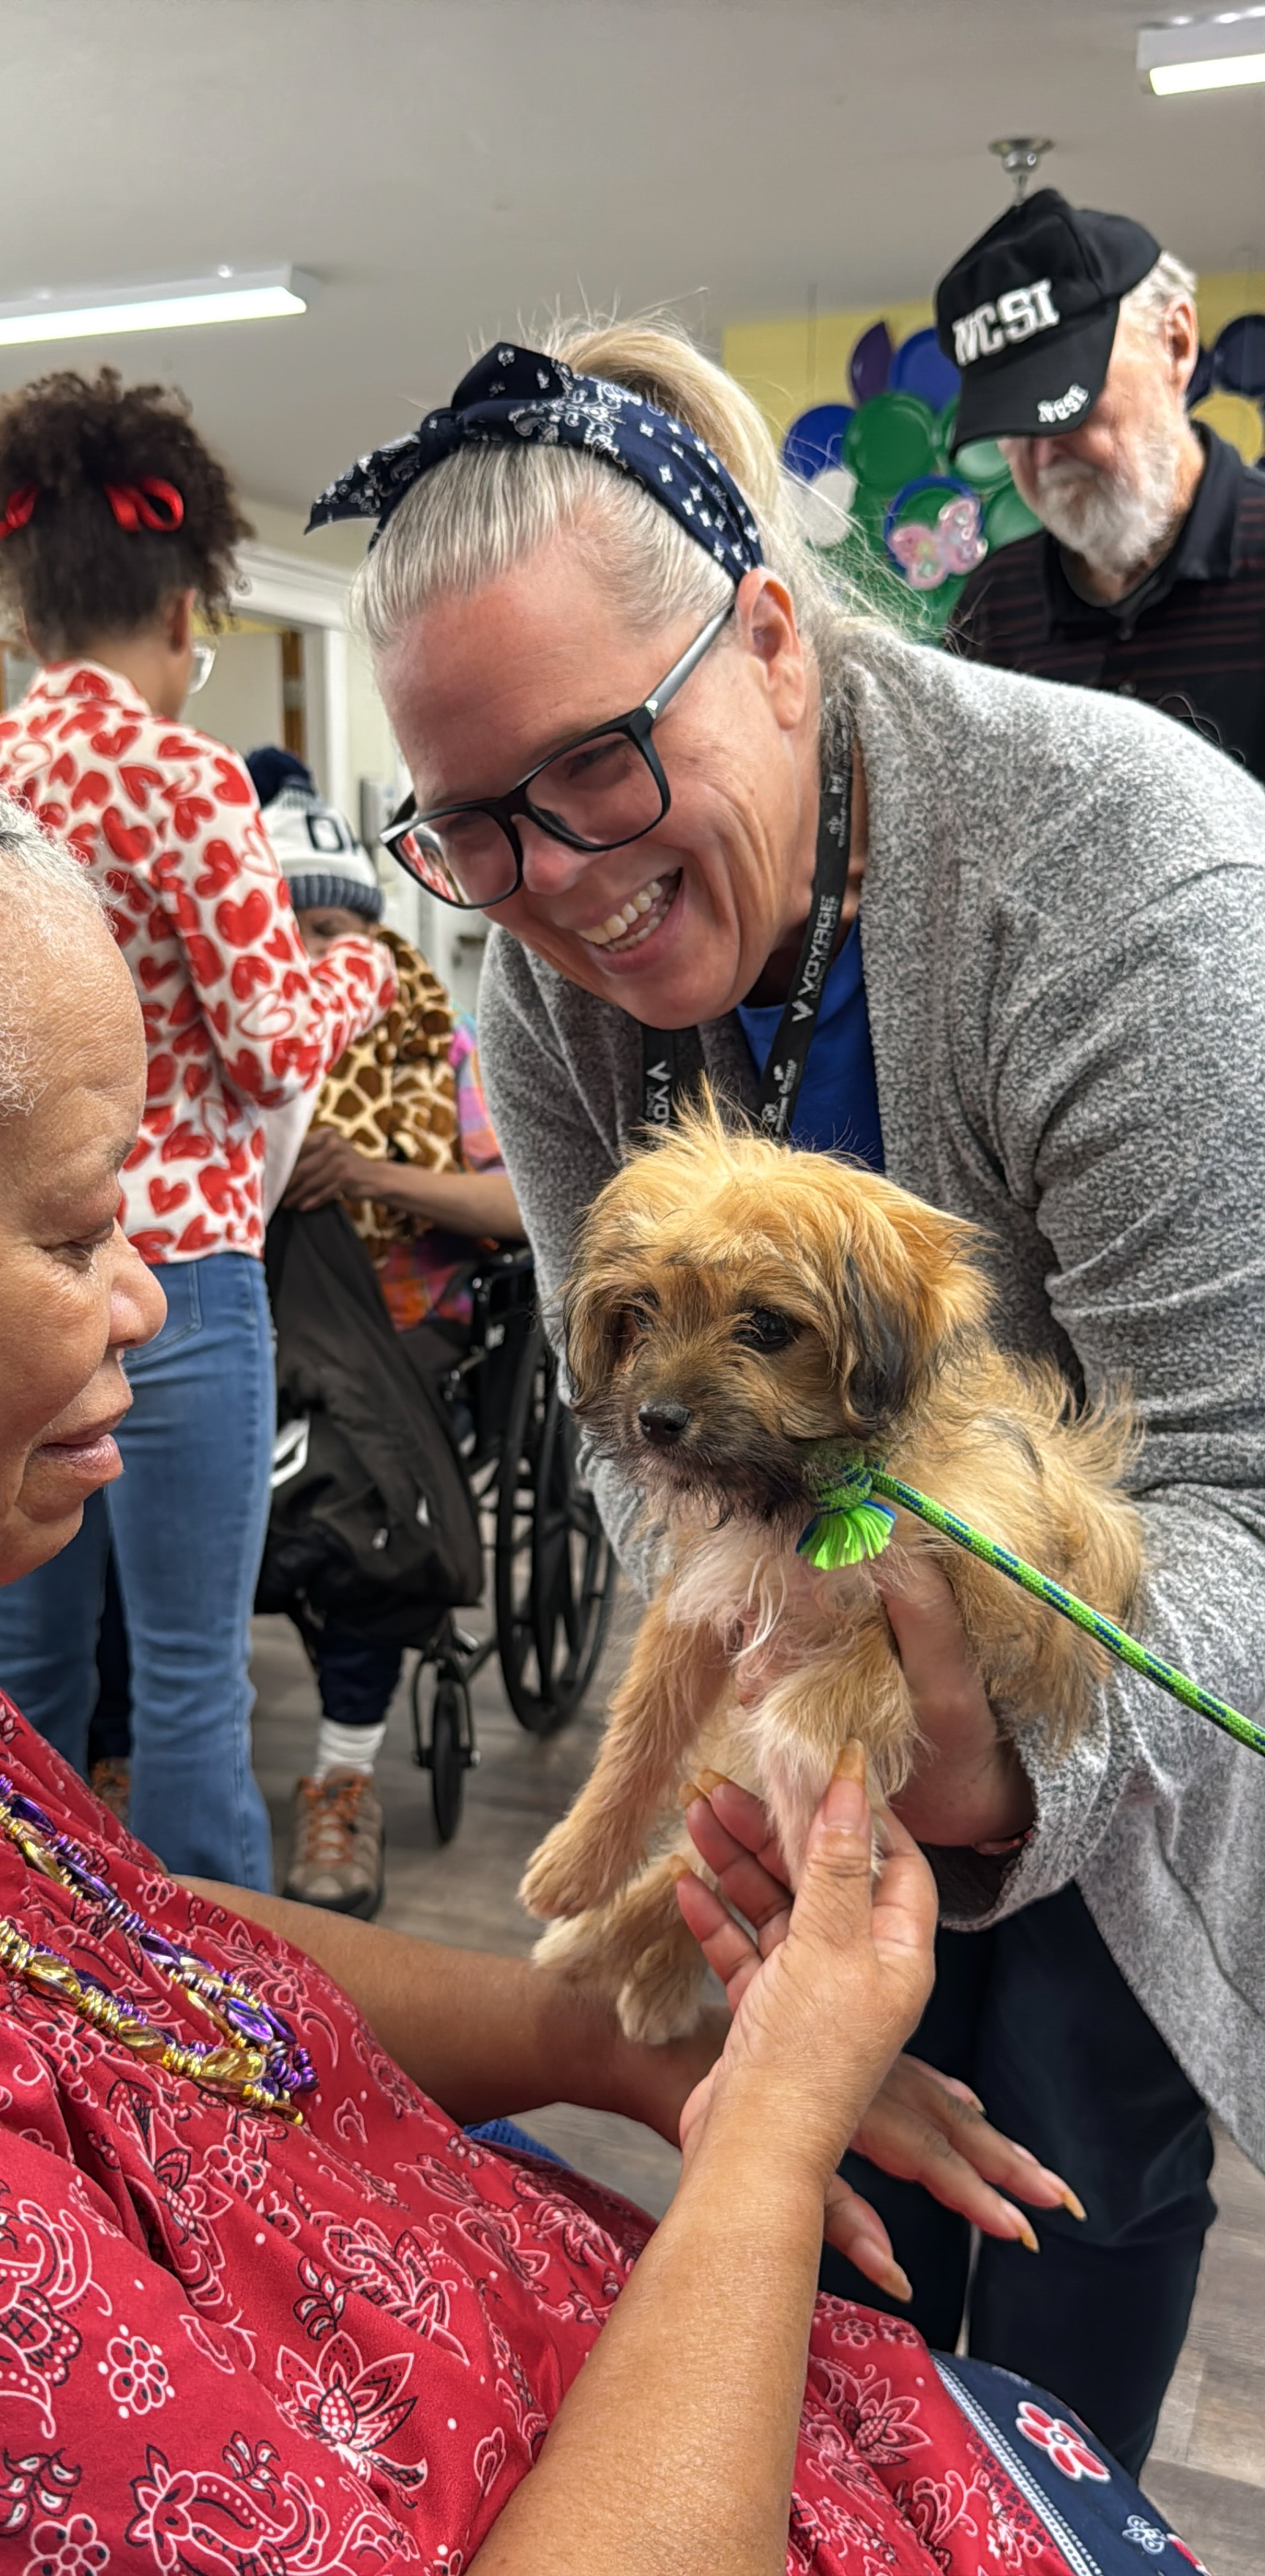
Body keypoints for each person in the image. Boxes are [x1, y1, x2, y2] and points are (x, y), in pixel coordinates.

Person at [0, 721, 1195, 2576]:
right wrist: (769, 2137)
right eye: (76, 1227)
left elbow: (117, 1944)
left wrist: (606, 2034)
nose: (153, 1288)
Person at [306, 318, 1265, 2476]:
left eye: (596, 773)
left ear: (768, 637)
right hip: (806, 1672)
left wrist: (998, 1772)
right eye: (470, 827)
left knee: (1078, 2170)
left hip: (1098, 1696)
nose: (551, 879)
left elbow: (1238, 1493)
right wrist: (758, 1695)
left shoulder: (1135, 880)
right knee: (823, 2190)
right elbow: (610, 1394)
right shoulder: (543, 962)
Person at [0, 368, 395, 1892]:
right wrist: (356, 965)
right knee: (195, 1685)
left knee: (21, 1678)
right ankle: (224, 2073)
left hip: (9, 1272)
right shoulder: (191, 781)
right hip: (180, 1277)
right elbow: (271, 1042)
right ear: (191, 605)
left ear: (18, 604)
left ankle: (13, 2000)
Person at [248, 752, 524, 1917]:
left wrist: (363, 1172)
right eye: (288, 935)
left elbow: (522, 1206)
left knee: (354, 1495)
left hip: (406, 1331)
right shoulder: (231, 1057)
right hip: (254, 1330)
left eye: (332, 932)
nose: (314, 957)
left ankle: (343, 1783)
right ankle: (119, 1757)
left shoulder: (443, 1048)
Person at [935, 188, 1265, 782]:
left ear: (1176, 344)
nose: (1045, 449)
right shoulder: (992, 612)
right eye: (1014, 420)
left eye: (1066, 402)